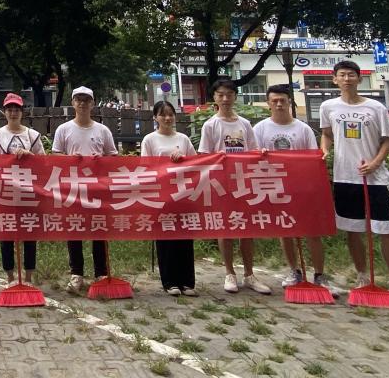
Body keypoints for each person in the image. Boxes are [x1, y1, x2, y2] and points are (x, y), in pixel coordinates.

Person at [320, 61, 389, 307]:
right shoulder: (328, 107)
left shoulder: (375, 107)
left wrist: (376, 163)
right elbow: (326, 134)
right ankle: (362, 277)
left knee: (387, 229)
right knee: (352, 229)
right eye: (342, 75)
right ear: (335, 79)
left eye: (351, 75)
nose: (347, 79)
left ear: (359, 79)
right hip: (345, 177)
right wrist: (324, 151)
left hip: (375, 179)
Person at [254, 84, 344, 297]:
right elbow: (253, 155)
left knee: (312, 231)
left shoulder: (302, 129)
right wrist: (260, 153)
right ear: (268, 104)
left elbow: (313, 157)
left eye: (282, 100)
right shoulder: (260, 129)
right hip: (276, 186)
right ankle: (294, 271)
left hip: (302, 187)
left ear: (290, 102)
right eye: (274, 101)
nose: (279, 104)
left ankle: (319, 274)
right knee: (285, 230)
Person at [197, 78, 271, 295]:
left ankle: (249, 274)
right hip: (221, 183)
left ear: (235, 97)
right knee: (226, 228)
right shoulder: (210, 125)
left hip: (244, 182)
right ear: (214, 97)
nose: (225, 99)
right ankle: (229, 273)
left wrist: (260, 154)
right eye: (220, 95)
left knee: (246, 228)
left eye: (229, 94)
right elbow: (203, 156)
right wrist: (217, 158)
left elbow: (253, 150)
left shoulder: (245, 124)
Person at [51, 85, 117, 295]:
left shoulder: (102, 130)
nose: (82, 104)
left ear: (92, 103)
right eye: (78, 100)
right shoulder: (64, 129)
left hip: (98, 187)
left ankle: (101, 272)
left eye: (86, 100)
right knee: (75, 228)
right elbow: (55, 155)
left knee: (99, 228)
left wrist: (102, 159)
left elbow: (113, 156)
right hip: (73, 187)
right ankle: (76, 272)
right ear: (73, 103)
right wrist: (69, 159)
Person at [141, 100, 198, 296]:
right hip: (161, 194)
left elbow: (196, 163)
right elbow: (145, 167)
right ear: (155, 118)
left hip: (183, 193)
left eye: (170, 114)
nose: (167, 118)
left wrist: (183, 158)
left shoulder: (183, 139)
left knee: (185, 237)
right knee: (166, 237)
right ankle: (169, 281)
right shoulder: (149, 139)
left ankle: (187, 281)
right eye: (162, 114)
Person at [0, 92, 43, 284]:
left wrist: (29, 156)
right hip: (4, 192)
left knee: (29, 233)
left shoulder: (32, 136)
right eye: (9, 109)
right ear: (4, 112)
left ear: (22, 112)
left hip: (29, 192)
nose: (13, 113)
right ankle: (10, 276)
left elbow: (44, 164)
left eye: (16, 109)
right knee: (6, 234)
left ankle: (28, 277)